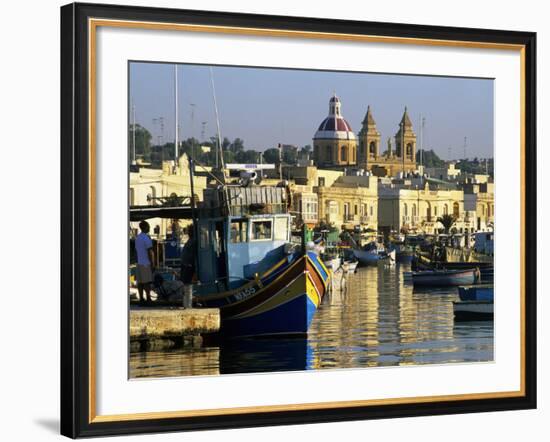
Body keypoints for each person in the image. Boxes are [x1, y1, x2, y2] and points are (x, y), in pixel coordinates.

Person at [135, 220, 154, 303]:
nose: (149, 227)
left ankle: (141, 299)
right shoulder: (146, 238)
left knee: (140, 282)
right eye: (148, 226)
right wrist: (152, 263)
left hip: (139, 263)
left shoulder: (137, 238)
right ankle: (148, 299)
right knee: (147, 282)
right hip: (146, 263)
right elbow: (150, 252)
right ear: (145, 227)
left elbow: (137, 251)